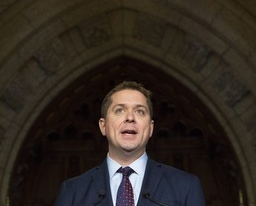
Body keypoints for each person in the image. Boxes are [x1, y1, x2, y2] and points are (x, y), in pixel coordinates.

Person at [54, 81, 206, 206]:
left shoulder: (186, 187)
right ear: (103, 126)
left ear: (151, 127)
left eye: (140, 111)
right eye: (120, 110)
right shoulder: (72, 191)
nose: (130, 118)